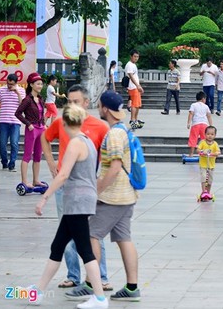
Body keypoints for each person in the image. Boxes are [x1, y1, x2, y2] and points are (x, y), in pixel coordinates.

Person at [32, 104, 108, 309]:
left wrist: (44, 197)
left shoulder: (75, 143)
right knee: (57, 247)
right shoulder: (87, 141)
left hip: (77, 201)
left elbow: (63, 174)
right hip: (78, 202)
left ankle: (99, 297)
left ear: (64, 123)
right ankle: (38, 291)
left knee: (85, 250)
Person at [70, 90, 141, 302]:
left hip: (113, 197)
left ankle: (92, 283)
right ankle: (132, 287)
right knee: (124, 238)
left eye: (100, 105)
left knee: (91, 235)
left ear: (106, 109)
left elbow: (116, 165)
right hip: (126, 195)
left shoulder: (114, 134)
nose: (98, 108)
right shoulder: (122, 129)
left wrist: (97, 189)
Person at [16, 72, 46, 189]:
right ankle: (24, 181)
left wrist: (44, 125)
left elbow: (41, 114)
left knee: (38, 156)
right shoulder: (27, 100)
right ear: (31, 85)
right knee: (27, 155)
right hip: (32, 129)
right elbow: (18, 113)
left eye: (41, 84)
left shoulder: (40, 99)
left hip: (41, 129)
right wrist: (28, 123)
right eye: (38, 84)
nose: (40, 86)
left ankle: (36, 180)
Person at [0, 74, 24, 172]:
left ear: (16, 83)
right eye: (8, 83)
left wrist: (17, 93)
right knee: (2, 144)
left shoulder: (22, 91)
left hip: (15, 122)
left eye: (11, 84)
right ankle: (4, 162)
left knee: (14, 143)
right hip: (3, 121)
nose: (9, 86)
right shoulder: (1, 90)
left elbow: (22, 105)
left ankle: (12, 164)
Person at [187, 91, 213, 158]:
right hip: (204, 124)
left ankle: (191, 154)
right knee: (204, 139)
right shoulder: (206, 106)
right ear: (203, 99)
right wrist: (211, 125)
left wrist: (188, 123)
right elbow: (209, 116)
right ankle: (205, 153)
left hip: (196, 124)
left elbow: (191, 114)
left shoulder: (193, 105)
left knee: (193, 138)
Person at [197, 126, 220, 197]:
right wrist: (201, 152)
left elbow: (218, 152)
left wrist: (215, 154)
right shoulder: (202, 142)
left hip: (211, 165)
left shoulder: (215, 144)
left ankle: (208, 192)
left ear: (215, 135)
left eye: (212, 134)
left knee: (210, 180)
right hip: (203, 165)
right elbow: (198, 149)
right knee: (204, 177)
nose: (210, 136)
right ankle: (204, 191)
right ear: (205, 134)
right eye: (208, 134)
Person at [125, 50, 144, 130]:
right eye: (135, 56)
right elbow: (131, 76)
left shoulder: (133, 65)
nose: (136, 58)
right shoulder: (129, 65)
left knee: (137, 104)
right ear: (131, 56)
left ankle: (135, 120)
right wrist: (138, 85)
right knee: (134, 104)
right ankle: (132, 120)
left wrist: (138, 86)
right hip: (133, 87)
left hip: (135, 87)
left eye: (137, 56)